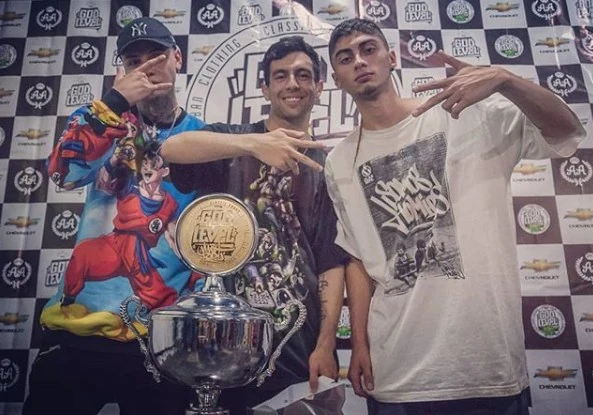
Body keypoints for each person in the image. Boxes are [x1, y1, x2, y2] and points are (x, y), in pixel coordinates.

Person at [324, 18, 585, 415]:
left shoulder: (466, 113)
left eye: (368, 49)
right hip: (396, 375)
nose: (359, 61)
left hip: (486, 366)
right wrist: (360, 343)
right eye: (345, 58)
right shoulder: (339, 161)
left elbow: (566, 130)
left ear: (391, 58)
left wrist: (506, 80)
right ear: (336, 79)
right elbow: (359, 259)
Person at [23, 17, 205, 415]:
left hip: (162, 340)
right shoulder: (102, 119)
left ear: (178, 57)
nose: (147, 68)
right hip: (80, 330)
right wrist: (114, 102)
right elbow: (63, 173)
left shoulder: (204, 137)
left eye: (156, 56)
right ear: (122, 70)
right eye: (134, 61)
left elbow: (207, 235)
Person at [161, 35, 348, 414]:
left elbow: (330, 262)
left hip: (296, 343)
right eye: (280, 75)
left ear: (319, 87)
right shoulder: (231, 141)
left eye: (303, 75)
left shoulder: (329, 167)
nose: (292, 84)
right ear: (264, 87)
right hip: (217, 343)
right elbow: (171, 149)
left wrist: (327, 342)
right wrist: (252, 143)